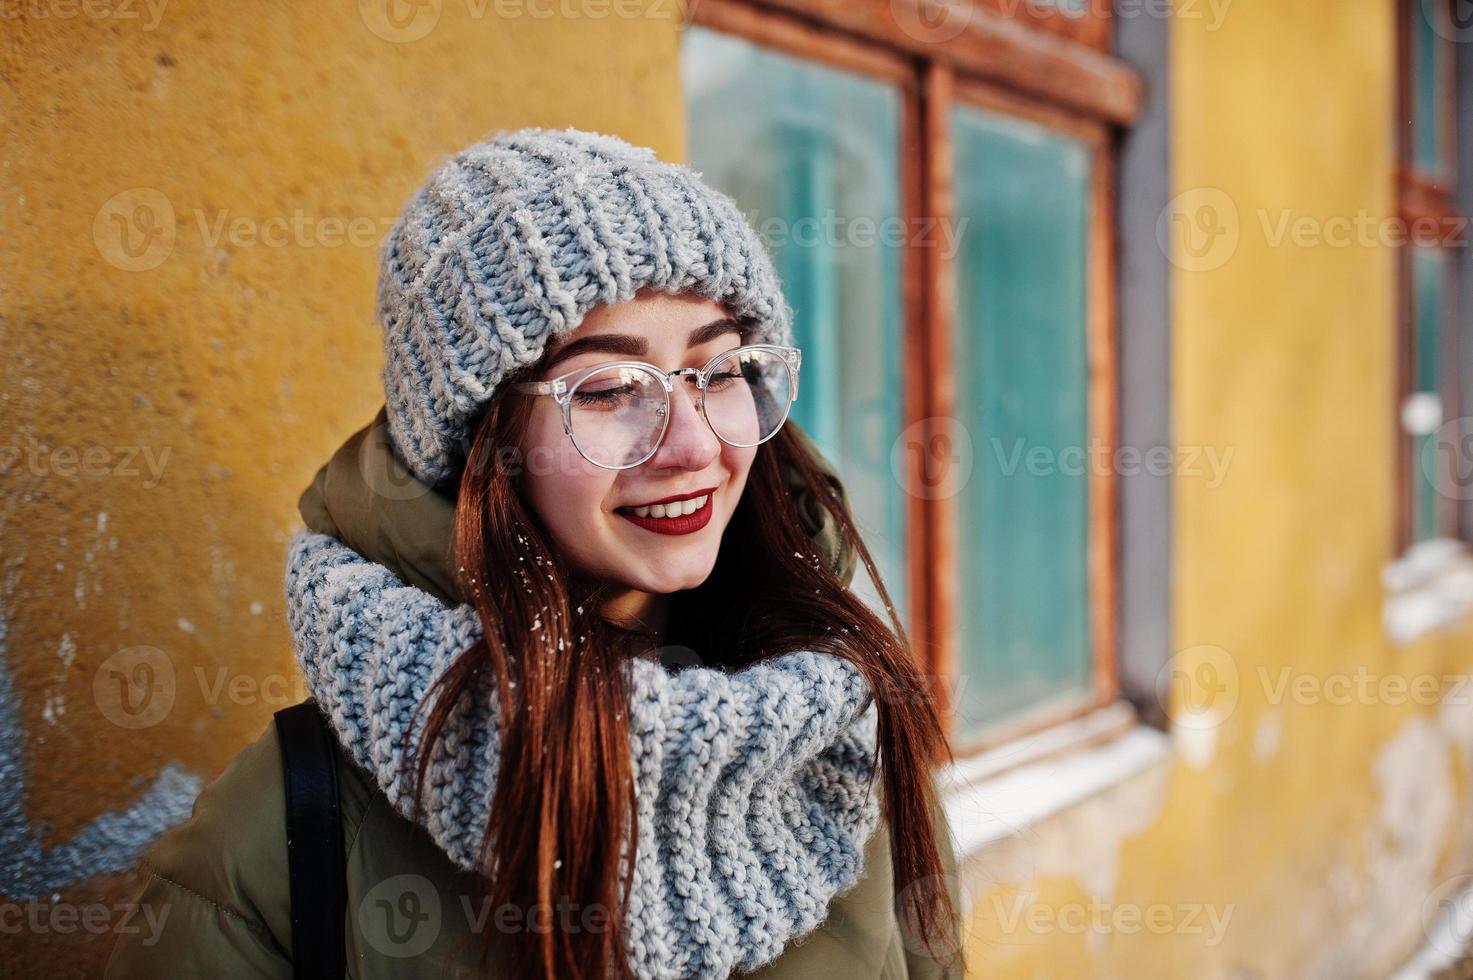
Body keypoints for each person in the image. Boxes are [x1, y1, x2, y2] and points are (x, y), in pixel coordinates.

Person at [105, 126, 967, 979]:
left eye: (721, 370)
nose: (692, 446)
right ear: (483, 442)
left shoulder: (844, 740)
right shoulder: (279, 840)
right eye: (607, 390)